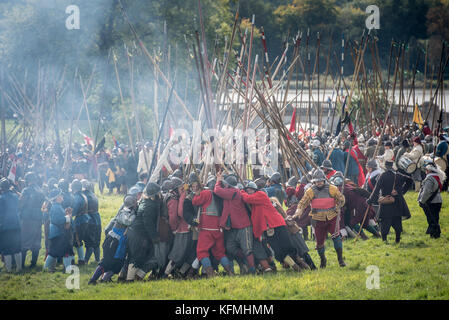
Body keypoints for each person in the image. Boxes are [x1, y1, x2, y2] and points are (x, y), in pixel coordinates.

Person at [241, 181, 304, 273]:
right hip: (267, 228)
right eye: (247, 190)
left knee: (288, 246)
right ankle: (294, 266)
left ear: (255, 190)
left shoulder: (260, 194)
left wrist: (242, 191)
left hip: (277, 224)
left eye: (250, 189)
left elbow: (247, 198)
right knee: (278, 251)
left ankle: (300, 262)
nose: (249, 191)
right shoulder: (252, 202)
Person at [292, 169, 346, 268]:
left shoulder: (332, 189)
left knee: (336, 237)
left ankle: (340, 259)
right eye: (317, 181)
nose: (319, 183)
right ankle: (323, 260)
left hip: (332, 216)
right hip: (317, 219)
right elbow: (302, 203)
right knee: (319, 243)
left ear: (324, 180)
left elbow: (341, 199)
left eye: (320, 180)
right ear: (314, 181)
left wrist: (340, 203)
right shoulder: (310, 191)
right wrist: (298, 212)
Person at [191, 173, 234, 278]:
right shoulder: (221, 195)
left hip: (206, 228)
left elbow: (195, 201)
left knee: (202, 252)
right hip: (218, 228)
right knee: (220, 252)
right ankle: (230, 272)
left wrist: (197, 192)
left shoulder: (206, 193)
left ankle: (210, 274)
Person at [89, 195, 137, 285]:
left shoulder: (130, 211)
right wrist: (135, 215)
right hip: (113, 241)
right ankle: (92, 280)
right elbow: (128, 221)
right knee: (106, 262)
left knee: (117, 264)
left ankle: (105, 279)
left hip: (118, 242)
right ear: (132, 204)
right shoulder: (125, 212)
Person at [214, 172, 256, 275]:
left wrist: (218, 180)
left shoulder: (234, 192)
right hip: (234, 227)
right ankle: (245, 264)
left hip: (244, 226)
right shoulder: (232, 191)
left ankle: (253, 271)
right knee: (230, 248)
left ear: (227, 185)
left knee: (248, 250)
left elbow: (217, 190)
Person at [367, 161, 412, 243]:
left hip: (386, 202)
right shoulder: (398, 175)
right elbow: (410, 181)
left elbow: (376, 189)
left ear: (385, 167)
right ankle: (397, 239)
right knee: (397, 220)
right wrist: (400, 191)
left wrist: (370, 200)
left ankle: (384, 240)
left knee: (385, 222)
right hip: (397, 201)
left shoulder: (383, 176)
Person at [126, 182, 161, 281]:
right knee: (137, 256)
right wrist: (154, 236)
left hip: (136, 232)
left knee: (138, 255)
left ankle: (131, 277)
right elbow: (148, 223)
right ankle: (129, 279)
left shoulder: (145, 201)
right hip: (138, 234)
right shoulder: (150, 205)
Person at [43, 189, 74, 273]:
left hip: (58, 233)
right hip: (57, 233)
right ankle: (47, 268)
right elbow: (57, 220)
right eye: (60, 195)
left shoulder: (57, 206)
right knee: (55, 252)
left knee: (55, 252)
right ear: (57, 198)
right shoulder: (56, 207)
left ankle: (47, 268)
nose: (62, 196)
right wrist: (68, 217)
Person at [19, 172, 45, 269]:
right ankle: (33, 263)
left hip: (27, 220)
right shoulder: (40, 190)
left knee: (24, 241)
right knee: (36, 241)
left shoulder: (26, 190)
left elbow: (21, 203)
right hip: (38, 218)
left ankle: (21, 264)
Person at [0, 178, 22, 273]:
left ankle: (8, 269)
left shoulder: (1, 198)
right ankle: (19, 268)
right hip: (16, 224)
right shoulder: (15, 197)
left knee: (7, 249)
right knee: (17, 248)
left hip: (5, 226)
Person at [418, 162, 445, 239]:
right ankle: (436, 234)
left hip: (431, 201)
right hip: (437, 200)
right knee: (435, 218)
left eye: (426, 169)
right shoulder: (437, 177)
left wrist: (422, 201)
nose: (426, 171)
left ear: (429, 170)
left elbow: (427, 191)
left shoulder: (430, 178)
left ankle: (434, 234)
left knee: (431, 219)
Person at [71, 179, 90, 265]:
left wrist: (70, 213)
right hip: (85, 218)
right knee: (78, 240)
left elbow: (75, 210)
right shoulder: (82, 195)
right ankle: (81, 259)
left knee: (77, 240)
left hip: (80, 220)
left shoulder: (77, 197)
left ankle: (81, 260)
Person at [82, 180, 101, 264]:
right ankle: (97, 260)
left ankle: (85, 261)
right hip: (97, 219)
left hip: (90, 220)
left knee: (89, 242)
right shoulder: (93, 195)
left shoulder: (85, 196)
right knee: (96, 241)